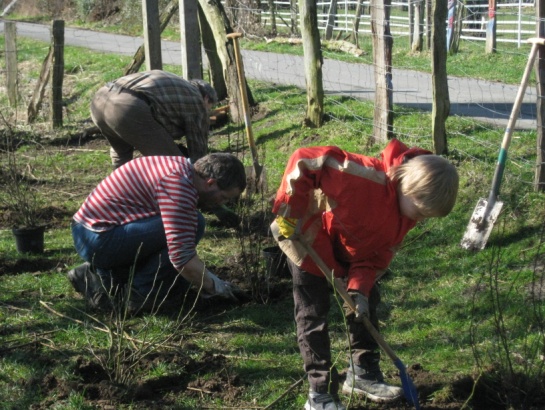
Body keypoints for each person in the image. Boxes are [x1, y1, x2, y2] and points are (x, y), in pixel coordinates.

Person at [270, 139, 459, 410]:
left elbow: (375, 257)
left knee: (366, 305)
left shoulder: (407, 216)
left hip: (352, 252)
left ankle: (362, 373)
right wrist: (290, 210)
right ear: (406, 185)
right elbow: (305, 161)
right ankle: (320, 393)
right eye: (420, 211)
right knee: (313, 314)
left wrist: (359, 289)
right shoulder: (362, 176)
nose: (419, 220)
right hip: (307, 238)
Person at [67, 153, 246, 314]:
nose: (221, 203)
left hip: (91, 230)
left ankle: (101, 274)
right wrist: (216, 287)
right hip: (98, 238)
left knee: (190, 222)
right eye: (224, 197)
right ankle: (139, 294)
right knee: (194, 222)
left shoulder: (180, 166)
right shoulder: (178, 186)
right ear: (210, 183)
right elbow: (181, 257)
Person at [90, 69, 217, 168]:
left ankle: (120, 193)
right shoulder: (196, 100)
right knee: (175, 164)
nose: (206, 112)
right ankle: (185, 199)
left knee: (121, 154)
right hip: (127, 107)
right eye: (208, 108)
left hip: (99, 100)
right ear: (206, 98)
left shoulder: (176, 85)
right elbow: (198, 152)